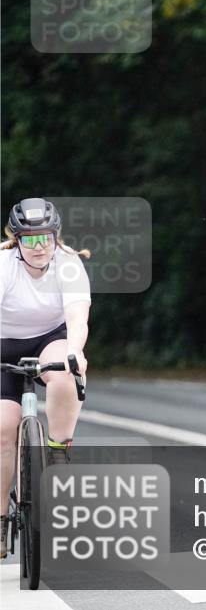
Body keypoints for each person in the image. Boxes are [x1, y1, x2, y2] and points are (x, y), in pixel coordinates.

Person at [0, 198, 91, 557]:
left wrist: (75, 351)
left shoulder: (68, 265)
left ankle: (57, 451)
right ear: (16, 240)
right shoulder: (4, 266)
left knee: (68, 369)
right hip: (2, 344)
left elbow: (77, 318)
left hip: (48, 340)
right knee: (3, 430)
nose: (39, 247)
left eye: (45, 238)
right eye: (29, 239)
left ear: (56, 237)